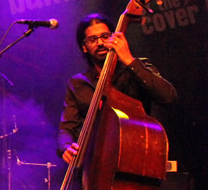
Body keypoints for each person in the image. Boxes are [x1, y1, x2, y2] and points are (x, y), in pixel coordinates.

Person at [58, 13, 177, 164]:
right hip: (95, 164)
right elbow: (67, 128)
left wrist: (128, 59)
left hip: (137, 158)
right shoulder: (77, 83)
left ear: (115, 38)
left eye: (105, 36)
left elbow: (168, 96)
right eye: (92, 39)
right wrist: (66, 146)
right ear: (84, 47)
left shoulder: (138, 67)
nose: (100, 43)